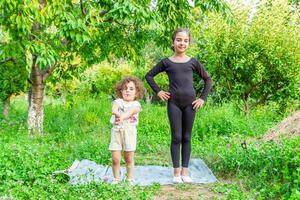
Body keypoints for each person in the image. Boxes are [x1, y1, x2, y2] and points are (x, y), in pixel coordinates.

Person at [145, 28, 212, 183]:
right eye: (179, 40)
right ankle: (176, 172)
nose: (182, 43)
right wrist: (159, 92)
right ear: (173, 42)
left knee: (187, 137)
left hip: (190, 105)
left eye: (185, 40)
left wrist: (202, 98)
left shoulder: (193, 62)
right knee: (176, 137)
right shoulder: (166, 62)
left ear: (189, 43)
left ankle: (185, 172)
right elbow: (149, 76)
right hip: (173, 103)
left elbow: (208, 80)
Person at [109, 76, 144, 185]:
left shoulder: (136, 104)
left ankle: (129, 178)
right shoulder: (118, 101)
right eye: (125, 88)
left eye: (131, 88)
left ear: (136, 93)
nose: (127, 90)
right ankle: (116, 179)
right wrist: (118, 114)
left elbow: (132, 112)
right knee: (115, 158)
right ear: (121, 91)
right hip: (116, 132)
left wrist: (123, 117)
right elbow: (114, 109)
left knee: (129, 158)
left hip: (129, 132)